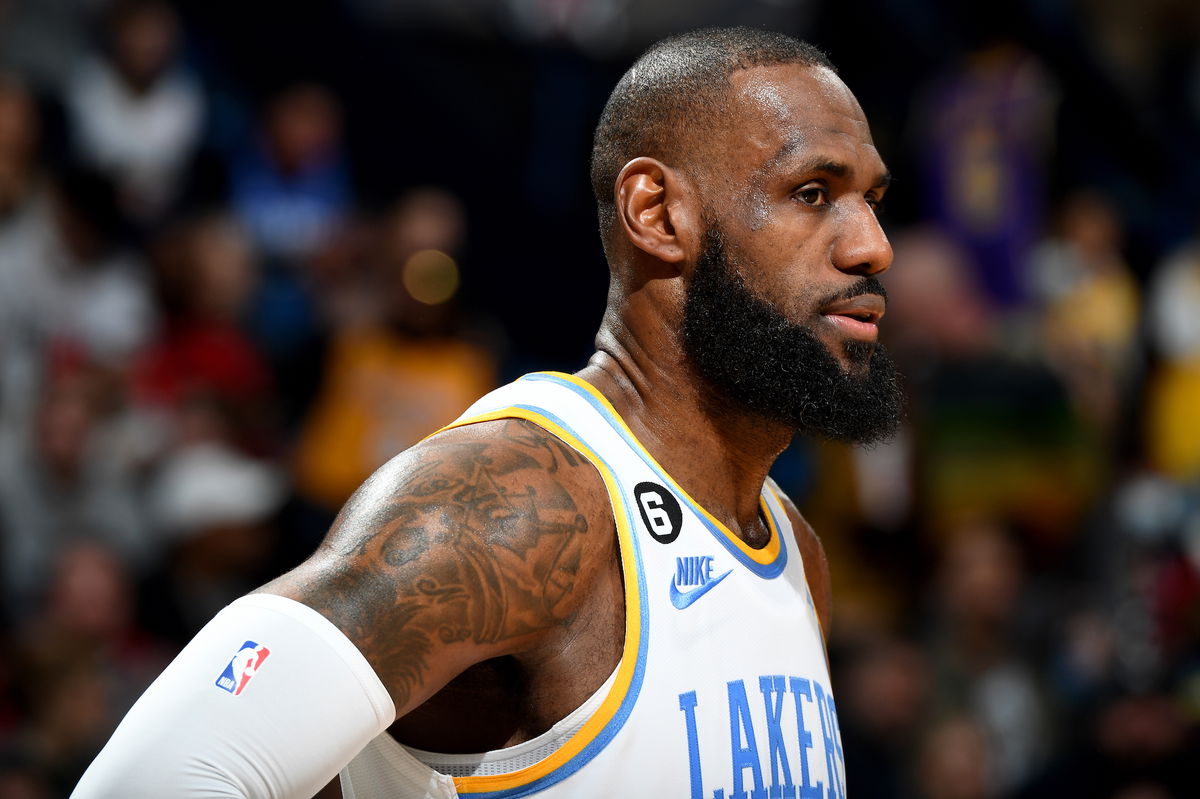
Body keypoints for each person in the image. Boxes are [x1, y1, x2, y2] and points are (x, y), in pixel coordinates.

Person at [72, 26, 902, 798]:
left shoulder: (795, 552)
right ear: (656, 213)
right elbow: (147, 781)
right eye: (812, 191)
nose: (872, 245)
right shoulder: (517, 502)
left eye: (872, 197)